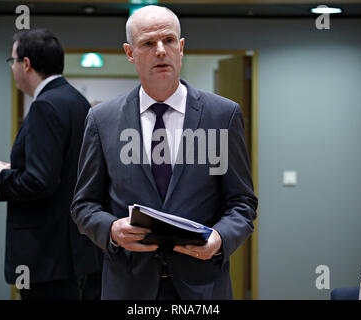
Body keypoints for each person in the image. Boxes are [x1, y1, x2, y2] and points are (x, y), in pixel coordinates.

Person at [70, 5, 258, 300]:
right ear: (130, 53)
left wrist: (220, 239)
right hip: (129, 286)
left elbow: (242, 203)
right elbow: (84, 205)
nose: (160, 50)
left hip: (202, 286)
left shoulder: (222, 115)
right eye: (147, 43)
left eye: (169, 41)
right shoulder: (102, 120)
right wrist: (110, 230)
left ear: (180, 48)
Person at [0, 29, 102, 300]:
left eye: (12, 61)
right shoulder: (76, 101)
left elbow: (40, 181)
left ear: (26, 64)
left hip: (48, 254)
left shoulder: (45, 106)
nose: (13, 68)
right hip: (76, 249)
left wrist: (3, 176)